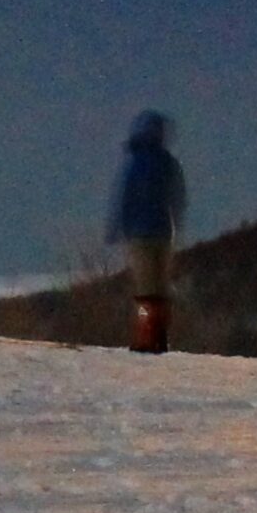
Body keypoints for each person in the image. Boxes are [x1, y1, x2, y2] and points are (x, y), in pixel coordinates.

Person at [106, 108, 187, 354]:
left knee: (144, 289)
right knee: (160, 288)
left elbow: (125, 198)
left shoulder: (136, 163)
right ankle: (160, 337)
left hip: (139, 233)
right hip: (163, 231)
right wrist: (176, 223)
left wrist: (116, 228)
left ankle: (145, 336)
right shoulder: (168, 162)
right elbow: (178, 197)